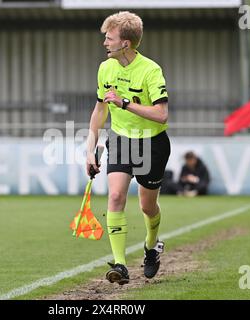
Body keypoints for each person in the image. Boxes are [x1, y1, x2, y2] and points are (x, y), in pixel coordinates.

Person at [86, 11, 170, 285]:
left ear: (126, 43)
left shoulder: (150, 70)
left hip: (152, 143)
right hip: (121, 139)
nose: (104, 43)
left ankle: (151, 246)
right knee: (115, 197)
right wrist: (90, 148)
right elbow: (100, 110)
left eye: (109, 38)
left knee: (147, 207)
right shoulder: (105, 68)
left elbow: (161, 114)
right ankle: (120, 264)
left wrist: (124, 103)